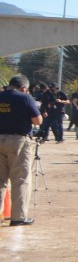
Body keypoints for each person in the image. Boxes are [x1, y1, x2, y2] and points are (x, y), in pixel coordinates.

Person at [0, 75, 42, 227]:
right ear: (24, 88)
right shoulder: (25, 98)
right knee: (20, 179)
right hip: (18, 141)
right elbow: (37, 120)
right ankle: (18, 217)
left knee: (0, 181)